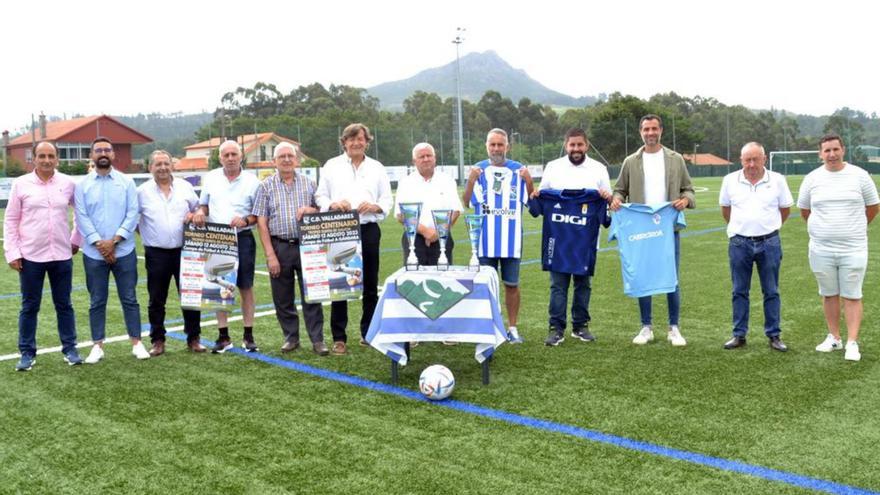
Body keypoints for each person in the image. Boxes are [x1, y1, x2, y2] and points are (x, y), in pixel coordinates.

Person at [610, 114, 695, 346]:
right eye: (646, 129)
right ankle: (646, 326)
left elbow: (688, 189)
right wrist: (616, 200)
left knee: (672, 276)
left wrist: (685, 201)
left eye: (654, 129)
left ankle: (673, 327)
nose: (650, 133)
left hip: (668, 229)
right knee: (643, 274)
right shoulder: (630, 161)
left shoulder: (675, 159)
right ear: (640, 132)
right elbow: (619, 190)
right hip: (641, 229)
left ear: (661, 131)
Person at [797, 134, 879, 362]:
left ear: (843, 150)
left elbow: (873, 207)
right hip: (821, 249)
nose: (831, 154)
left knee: (852, 295)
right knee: (829, 294)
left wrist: (853, 228)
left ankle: (852, 342)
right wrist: (824, 229)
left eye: (835, 149)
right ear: (820, 154)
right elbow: (805, 211)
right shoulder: (812, 179)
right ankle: (834, 337)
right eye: (827, 150)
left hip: (853, 247)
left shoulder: (860, 176)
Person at [4, 141, 83, 370]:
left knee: (64, 304)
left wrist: (75, 239)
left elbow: (80, 212)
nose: (47, 160)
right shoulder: (21, 184)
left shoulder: (68, 183)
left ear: (57, 158)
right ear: (34, 158)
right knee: (29, 306)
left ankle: (70, 348)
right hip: (30, 256)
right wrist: (12, 252)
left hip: (61, 255)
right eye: (42, 156)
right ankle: (27, 353)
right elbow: (11, 220)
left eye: (51, 156)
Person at [315, 123, 392, 355]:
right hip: (340, 229)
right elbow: (320, 195)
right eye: (351, 139)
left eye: (361, 139)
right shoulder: (331, 165)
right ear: (344, 142)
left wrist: (376, 206)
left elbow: (387, 200)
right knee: (340, 284)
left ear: (367, 142)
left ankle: (367, 332)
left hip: (369, 229)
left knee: (370, 284)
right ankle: (339, 337)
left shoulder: (377, 167)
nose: (356, 143)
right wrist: (332, 204)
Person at [533, 128, 611, 346]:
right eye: (572, 145)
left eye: (580, 145)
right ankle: (555, 328)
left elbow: (609, 205)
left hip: (586, 242)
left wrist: (607, 197)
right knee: (558, 285)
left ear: (586, 145)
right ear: (566, 145)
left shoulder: (599, 169)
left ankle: (580, 325)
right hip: (558, 241)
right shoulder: (553, 167)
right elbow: (542, 198)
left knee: (583, 284)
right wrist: (536, 195)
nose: (576, 149)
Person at [74, 137, 149, 363]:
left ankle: (136, 342)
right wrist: (100, 244)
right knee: (97, 300)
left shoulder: (126, 182)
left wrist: (114, 241)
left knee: (130, 298)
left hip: (123, 251)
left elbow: (132, 213)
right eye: (98, 150)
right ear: (92, 155)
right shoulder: (82, 185)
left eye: (107, 149)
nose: (103, 153)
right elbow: (82, 217)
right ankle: (97, 345)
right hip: (94, 253)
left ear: (113, 154)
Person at [253, 142, 328, 356]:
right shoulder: (265, 186)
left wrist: (311, 209)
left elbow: (321, 211)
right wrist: (270, 255)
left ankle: (317, 339)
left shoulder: (310, 184)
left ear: (297, 159)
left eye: (290, 156)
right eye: (282, 156)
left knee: (312, 295)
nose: (286, 160)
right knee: (282, 297)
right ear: (274, 161)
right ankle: (291, 337)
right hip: (280, 246)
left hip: (307, 246)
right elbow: (261, 222)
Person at [461, 128, 535, 344]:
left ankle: (512, 328)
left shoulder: (518, 171)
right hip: (484, 242)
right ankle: (488, 327)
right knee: (485, 285)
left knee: (511, 284)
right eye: (492, 144)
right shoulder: (479, 171)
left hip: (511, 242)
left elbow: (532, 202)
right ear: (486, 146)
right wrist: (471, 181)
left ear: (507, 146)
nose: (496, 148)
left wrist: (529, 181)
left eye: (500, 144)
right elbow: (467, 202)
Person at [719, 142, 793, 352]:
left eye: (755, 159)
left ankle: (774, 335)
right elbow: (726, 209)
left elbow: (785, 209)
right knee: (739, 291)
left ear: (764, 159)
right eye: (747, 160)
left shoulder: (777, 180)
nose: (751, 164)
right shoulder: (730, 180)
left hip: (769, 242)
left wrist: (769, 227)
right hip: (739, 243)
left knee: (771, 291)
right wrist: (741, 228)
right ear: (741, 160)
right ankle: (739, 334)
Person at [192, 140, 260, 353]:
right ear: (220, 158)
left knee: (245, 287)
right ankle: (223, 336)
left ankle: (248, 335)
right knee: (218, 286)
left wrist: (246, 220)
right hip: (217, 239)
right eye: (226, 155)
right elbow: (203, 204)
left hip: (243, 238)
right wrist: (202, 212)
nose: (230, 158)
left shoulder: (252, 181)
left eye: (234, 154)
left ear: (241, 156)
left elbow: (258, 215)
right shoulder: (211, 178)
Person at [137, 150, 205, 355]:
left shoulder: (185, 187)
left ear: (172, 165)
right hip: (156, 253)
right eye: (158, 164)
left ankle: (194, 338)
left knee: (190, 296)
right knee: (156, 299)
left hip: (186, 251)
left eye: (166, 163)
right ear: (150, 168)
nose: (163, 168)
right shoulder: (141, 192)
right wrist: (150, 235)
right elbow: (133, 220)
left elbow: (199, 208)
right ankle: (158, 340)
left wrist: (197, 214)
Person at [394, 142, 462, 265]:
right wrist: (425, 231)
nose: (426, 159)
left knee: (444, 280)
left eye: (429, 155)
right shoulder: (405, 182)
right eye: (421, 157)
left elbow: (456, 211)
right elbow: (401, 215)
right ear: (414, 161)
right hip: (414, 239)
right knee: (414, 281)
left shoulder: (447, 180)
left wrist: (438, 232)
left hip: (442, 237)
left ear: (435, 158)